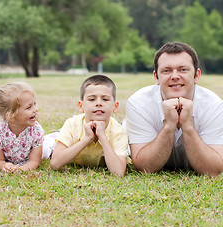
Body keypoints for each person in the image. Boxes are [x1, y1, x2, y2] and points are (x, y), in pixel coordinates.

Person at [126, 41, 223, 176]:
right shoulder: (138, 104)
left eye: (183, 69)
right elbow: (145, 168)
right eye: (167, 71)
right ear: (156, 77)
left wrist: (188, 125)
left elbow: (213, 171)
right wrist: (169, 125)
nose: (175, 76)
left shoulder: (214, 106)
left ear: (196, 76)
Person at [50, 75, 128, 177]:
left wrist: (102, 137)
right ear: (81, 106)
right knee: (48, 144)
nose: (99, 103)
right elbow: (55, 163)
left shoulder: (119, 132)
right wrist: (87, 139)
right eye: (92, 99)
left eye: (105, 99)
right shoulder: (72, 124)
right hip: (63, 136)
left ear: (115, 106)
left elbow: (118, 173)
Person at [0, 82, 44, 173]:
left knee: (45, 152)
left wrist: (20, 169)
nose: (36, 109)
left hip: (25, 161)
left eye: (35, 103)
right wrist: (4, 166)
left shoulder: (36, 131)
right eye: (29, 107)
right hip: (6, 159)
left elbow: (34, 161)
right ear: (11, 116)